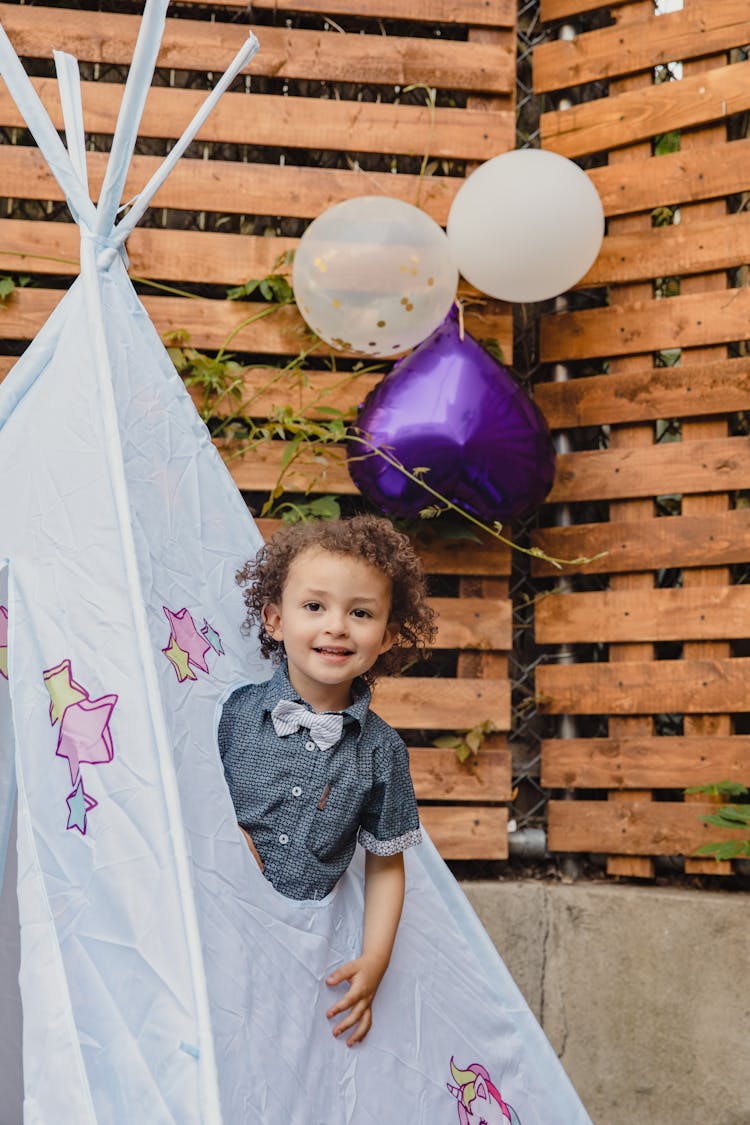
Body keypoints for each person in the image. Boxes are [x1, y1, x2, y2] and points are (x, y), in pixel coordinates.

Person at [218, 514, 436, 1047]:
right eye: (314, 606)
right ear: (275, 620)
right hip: (219, 922)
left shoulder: (382, 753)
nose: (336, 625)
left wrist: (376, 959)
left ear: (385, 636)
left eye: (360, 612)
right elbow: (190, 798)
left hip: (310, 947)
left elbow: (386, 863)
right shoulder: (234, 715)